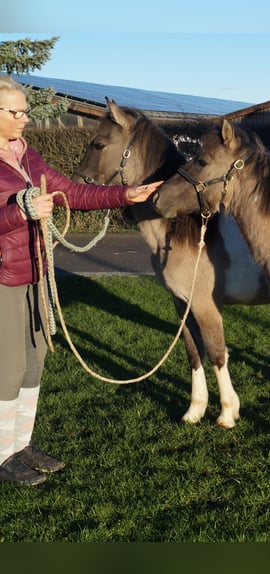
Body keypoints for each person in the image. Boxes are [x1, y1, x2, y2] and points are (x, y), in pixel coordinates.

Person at [0, 74, 162, 485]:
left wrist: (126, 196)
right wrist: (21, 212)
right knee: (8, 367)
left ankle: (20, 445)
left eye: (25, 111)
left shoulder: (27, 156)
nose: (24, 119)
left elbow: (70, 192)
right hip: (3, 277)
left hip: (35, 270)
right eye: (15, 112)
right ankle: (3, 457)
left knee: (33, 363)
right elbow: (20, 211)